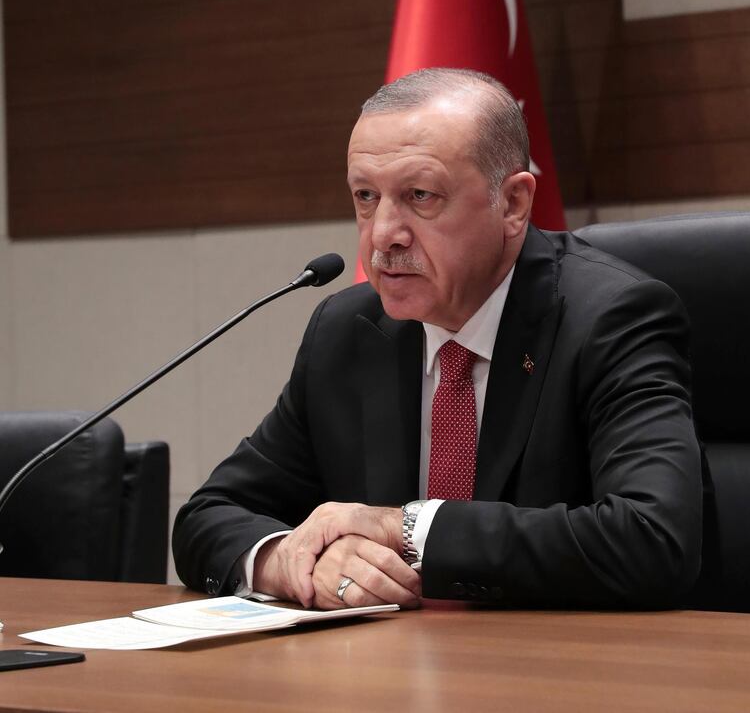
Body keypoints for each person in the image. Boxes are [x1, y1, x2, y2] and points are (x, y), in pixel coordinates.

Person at [173, 68, 703, 611]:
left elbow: (652, 538)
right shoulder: (348, 331)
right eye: (365, 196)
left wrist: (401, 528)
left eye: (420, 195)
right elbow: (207, 516)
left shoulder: (609, 319)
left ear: (514, 204)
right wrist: (286, 558)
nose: (383, 233)